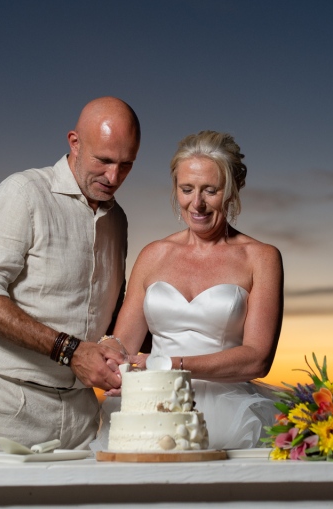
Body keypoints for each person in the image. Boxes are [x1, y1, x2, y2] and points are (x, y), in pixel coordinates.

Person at [0, 96, 140, 458]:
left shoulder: (118, 220)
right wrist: (70, 350)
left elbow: (108, 315)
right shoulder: (23, 193)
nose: (114, 177)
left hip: (79, 414)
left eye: (126, 165)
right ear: (74, 142)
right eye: (104, 161)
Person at [98, 130, 284, 450]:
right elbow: (124, 346)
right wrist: (113, 363)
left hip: (229, 413)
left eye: (210, 190)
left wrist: (171, 365)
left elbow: (257, 359)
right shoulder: (153, 255)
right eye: (186, 189)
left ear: (233, 189)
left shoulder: (262, 258)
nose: (196, 203)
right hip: (152, 411)